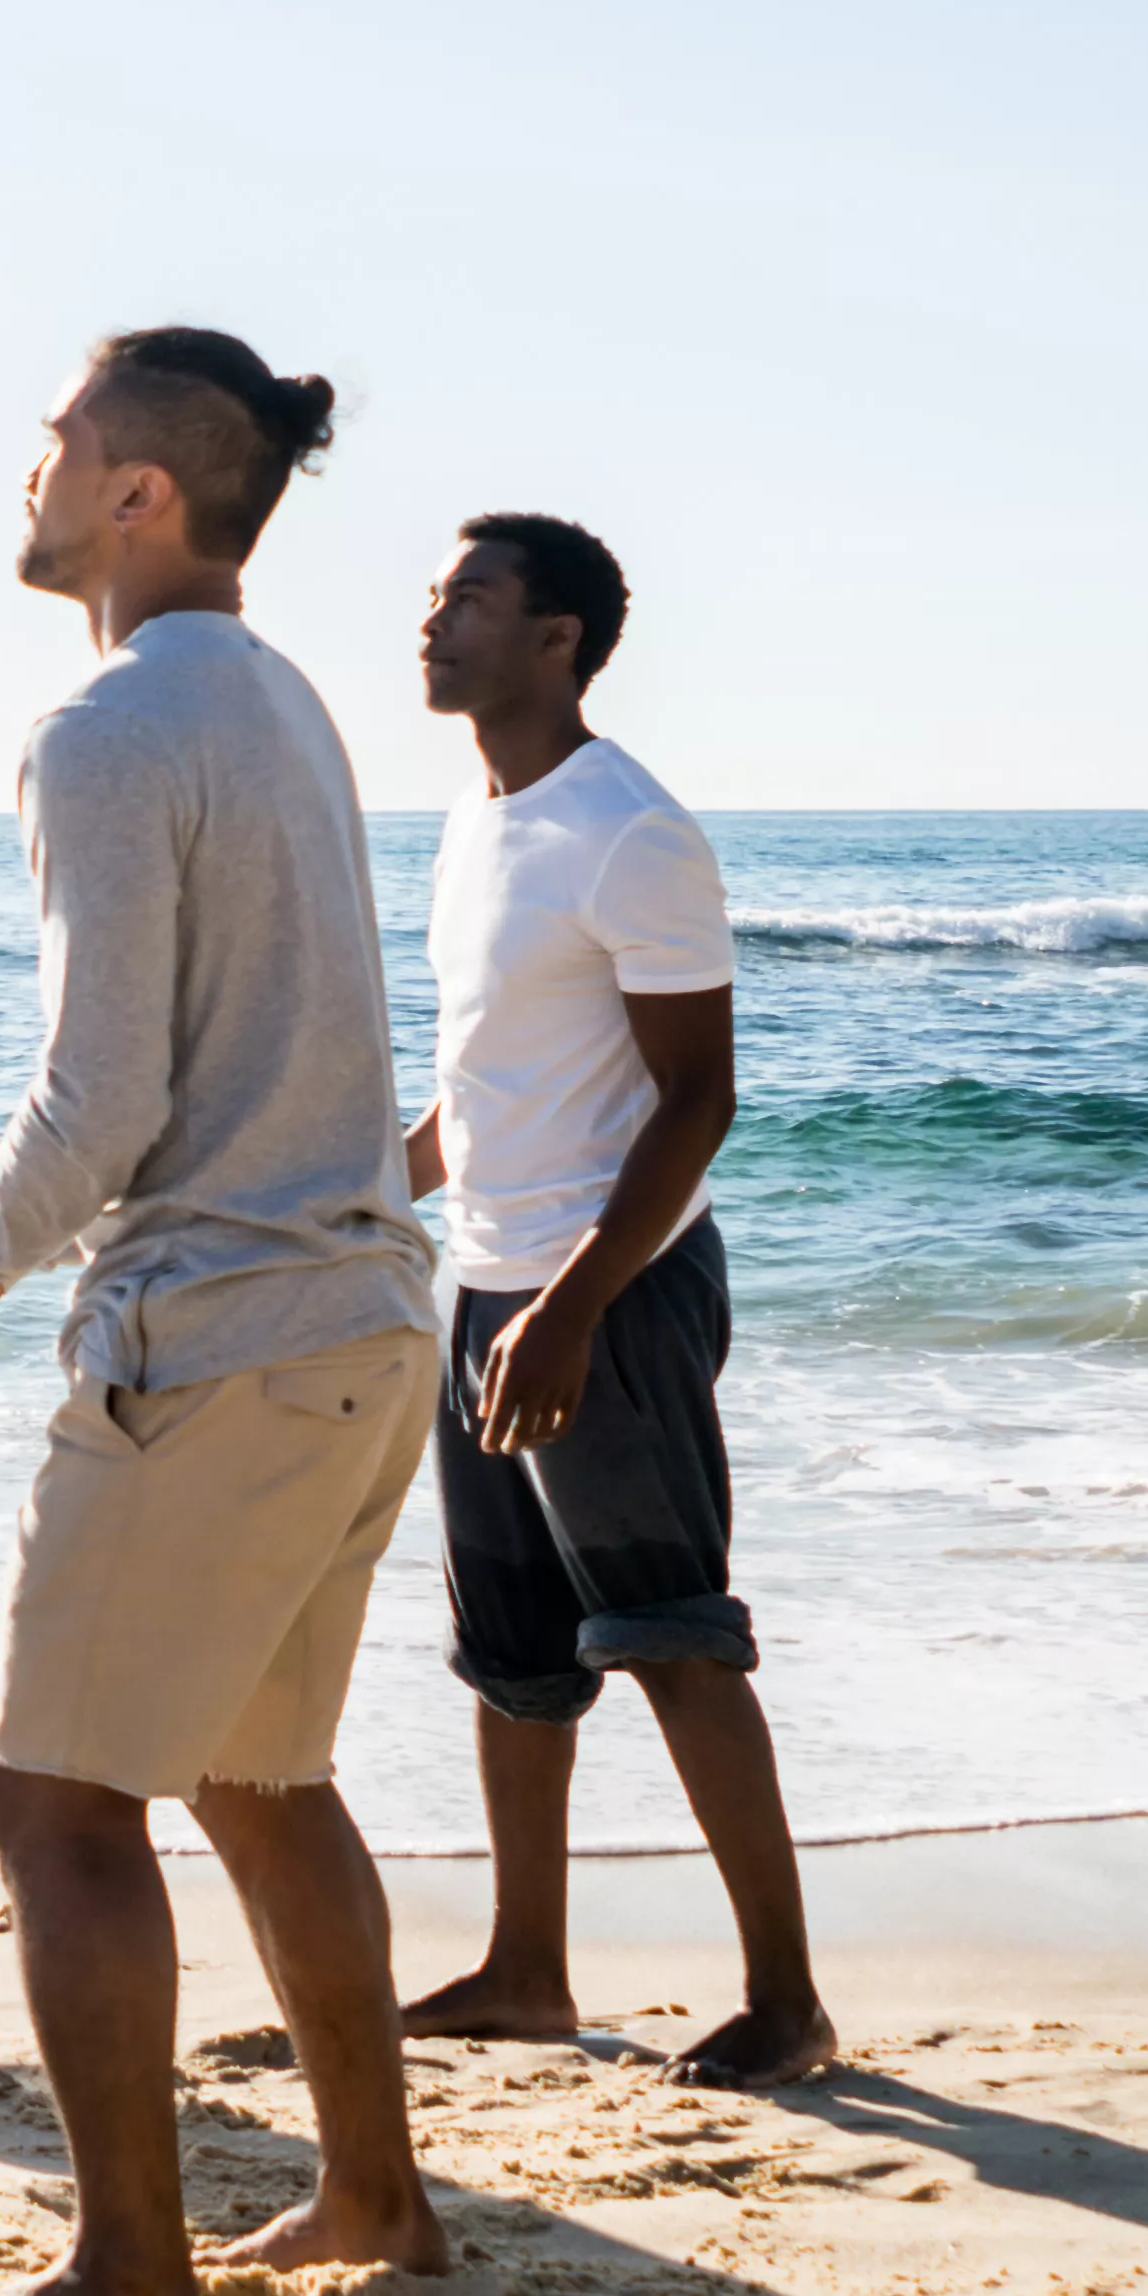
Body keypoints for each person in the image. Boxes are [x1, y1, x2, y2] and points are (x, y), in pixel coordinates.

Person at [0, 330, 445, 2296]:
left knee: (56, 1805)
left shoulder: (107, 726)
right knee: (261, 1777)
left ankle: (131, 2284)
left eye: (53, 445)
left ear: (135, 495)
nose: (22, 475)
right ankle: (373, 2200)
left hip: (221, 1336)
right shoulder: (282, 704)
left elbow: (97, 1096)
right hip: (364, 1318)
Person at [392, 510, 839, 2089]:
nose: (432, 620)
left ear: (559, 640)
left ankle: (788, 2001)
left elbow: (695, 1102)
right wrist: (383, 1195)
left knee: (669, 1637)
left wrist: (576, 1304)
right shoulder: (472, 823)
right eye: (436, 594)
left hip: (614, 1295)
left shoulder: (633, 832)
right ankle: (527, 1972)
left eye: (470, 599)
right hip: (487, 1288)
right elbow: (487, 1076)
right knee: (512, 1653)